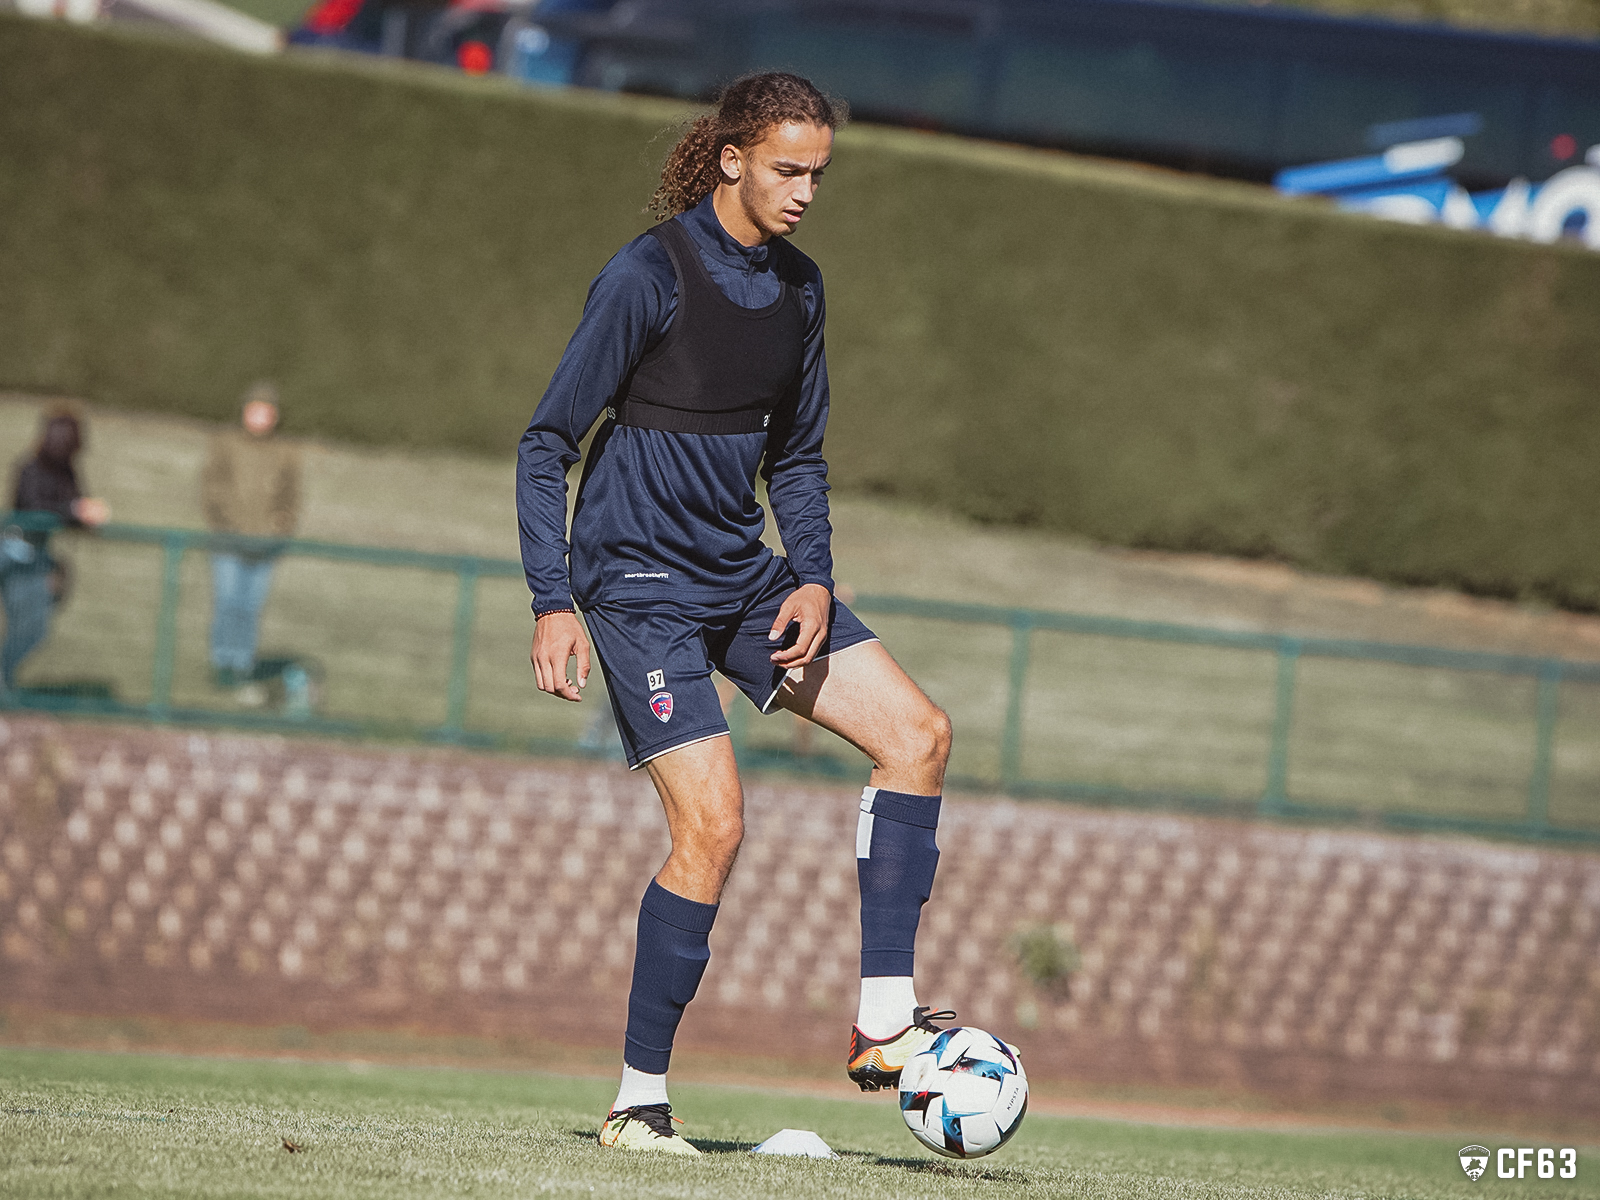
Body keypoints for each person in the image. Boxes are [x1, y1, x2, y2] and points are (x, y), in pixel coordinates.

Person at [517, 72, 954, 1155]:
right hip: (635, 586)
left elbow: (795, 457)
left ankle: (884, 1024)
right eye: (787, 169)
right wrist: (551, 599)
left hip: (743, 578)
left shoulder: (801, 291)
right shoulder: (646, 274)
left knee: (917, 737)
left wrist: (810, 573)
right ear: (732, 159)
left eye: (818, 173)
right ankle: (637, 1101)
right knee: (712, 828)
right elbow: (546, 442)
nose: (805, 191)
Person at [201, 384, 301, 695]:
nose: (260, 418)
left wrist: (279, 528)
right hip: (228, 542)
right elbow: (211, 488)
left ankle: (243, 664)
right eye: (255, 410)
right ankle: (223, 663)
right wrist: (227, 523)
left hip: (265, 546)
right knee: (228, 602)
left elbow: (291, 499)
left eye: (267, 412)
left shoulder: (285, 453)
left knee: (249, 607)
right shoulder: (225, 444)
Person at [3, 408, 110, 693]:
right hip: (15, 553)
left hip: (37, 556)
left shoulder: (66, 471)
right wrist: (75, 511)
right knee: (27, 624)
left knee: (33, 629)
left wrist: (87, 513)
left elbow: (74, 504)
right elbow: (35, 507)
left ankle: (3, 677)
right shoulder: (29, 467)